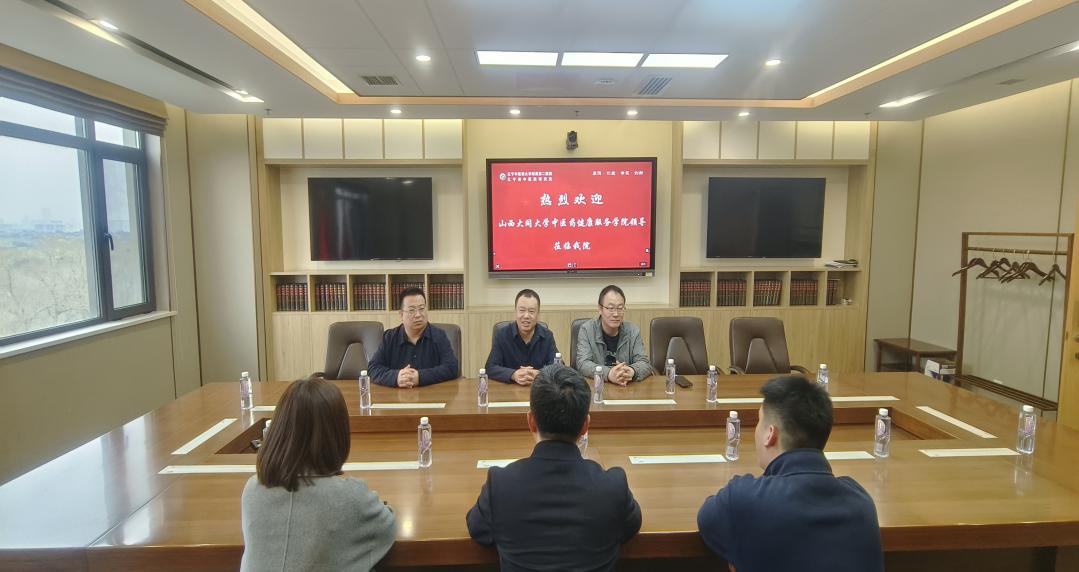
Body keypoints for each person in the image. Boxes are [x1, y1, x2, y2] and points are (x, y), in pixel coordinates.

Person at [697, 375, 884, 572]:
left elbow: (708, 519)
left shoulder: (742, 498)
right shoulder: (862, 503)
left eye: (759, 421)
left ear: (770, 434)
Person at [466, 365, 642, 571]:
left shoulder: (500, 484)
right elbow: (630, 527)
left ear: (531, 421)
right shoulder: (613, 486)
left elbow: (477, 529)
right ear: (585, 426)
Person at [240, 376, 395, 571]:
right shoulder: (349, 497)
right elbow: (386, 526)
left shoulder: (252, 491)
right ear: (337, 434)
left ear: (278, 429)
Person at [368, 287, 460, 387]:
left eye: (421, 309)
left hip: (431, 394)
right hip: (397, 395)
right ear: (401, 315)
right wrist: (396, 377)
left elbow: (452, 368)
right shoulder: (390, 338)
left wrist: (420, 377)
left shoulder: (439, 336)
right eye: (411, 310)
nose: (418, 315)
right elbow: (373, 369)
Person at [575, 285, 652, 385]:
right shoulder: (587, 330)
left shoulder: (633, 331)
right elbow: (583, 364)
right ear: (600, 309)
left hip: (626, 387)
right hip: (598, 387)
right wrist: (608, 374)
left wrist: (632, 371)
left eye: (620, 308)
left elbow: (644, 363)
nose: (616, 314)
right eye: (611, 308)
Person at [485, 288, 558, 385]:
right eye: (522, 310)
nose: (526, 316)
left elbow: (558, 366)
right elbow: (490, 368)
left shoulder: (547, 335)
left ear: (538, 314)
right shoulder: (502, 334)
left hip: (538, 389)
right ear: (515, 312)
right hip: (509, 389)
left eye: (531, 311)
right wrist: (513, 374)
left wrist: (540, 374)